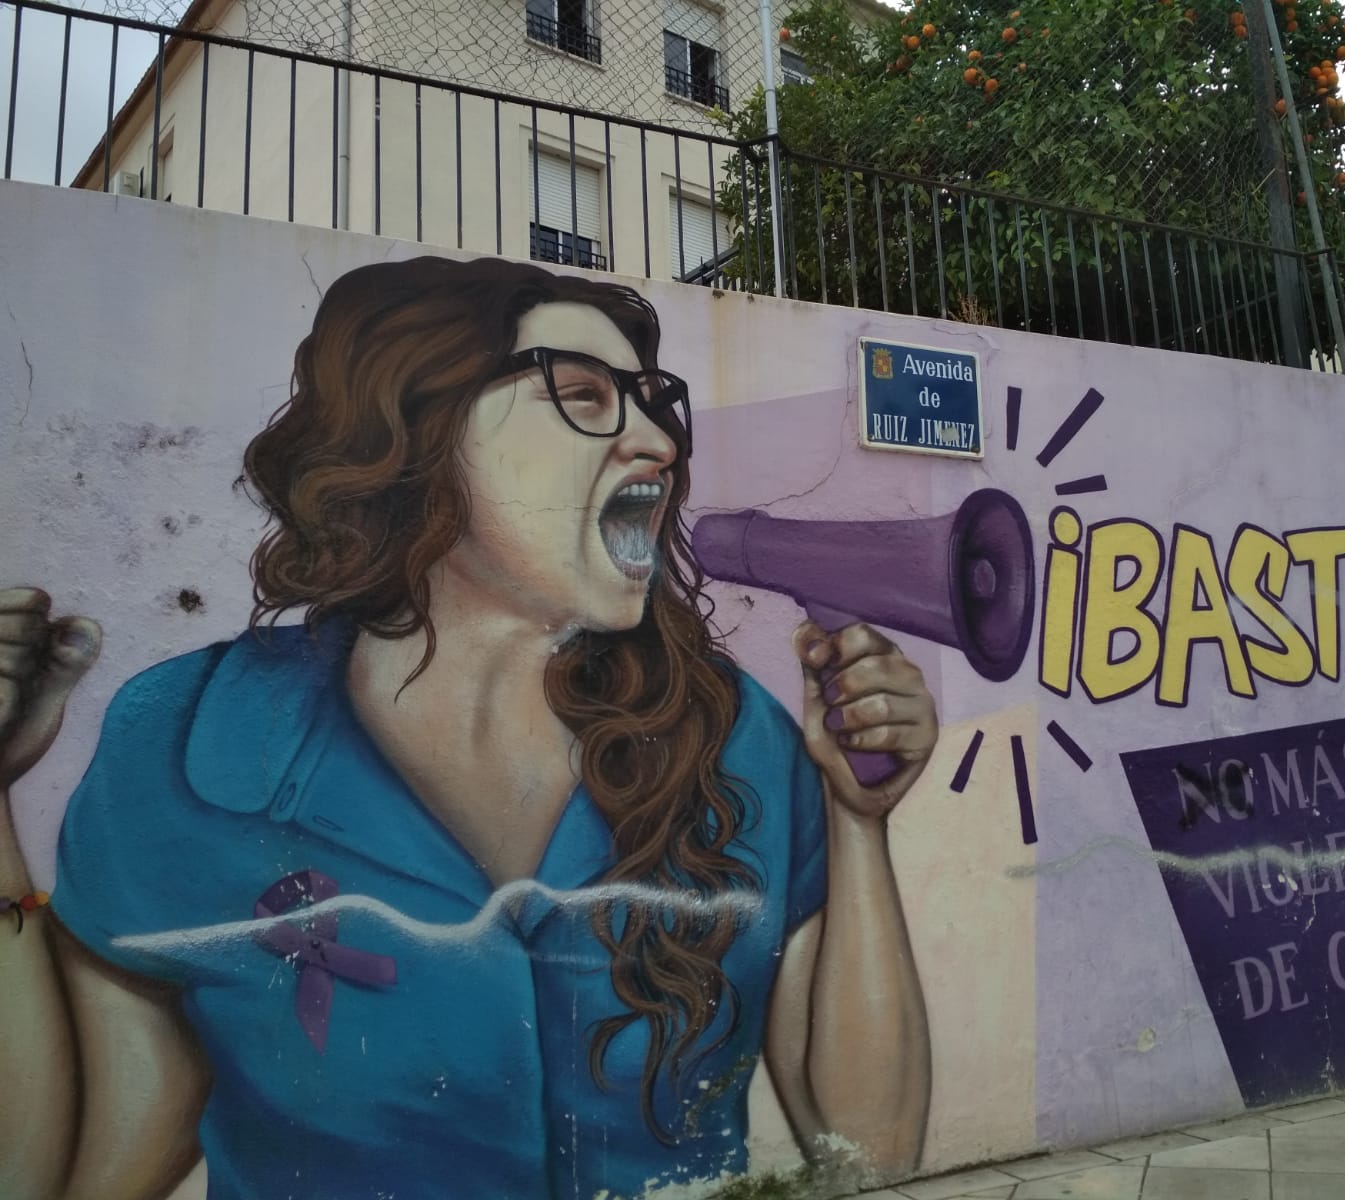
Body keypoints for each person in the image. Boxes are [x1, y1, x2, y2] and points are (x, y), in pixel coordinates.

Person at [0, 256, 935, 1200]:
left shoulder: (737, 740)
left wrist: (858, 820)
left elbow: (869, 1152)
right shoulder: (187, 743)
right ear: (419, 432)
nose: (656, 440)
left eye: (655, 402)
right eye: (582, 394)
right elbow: (76, 1168)